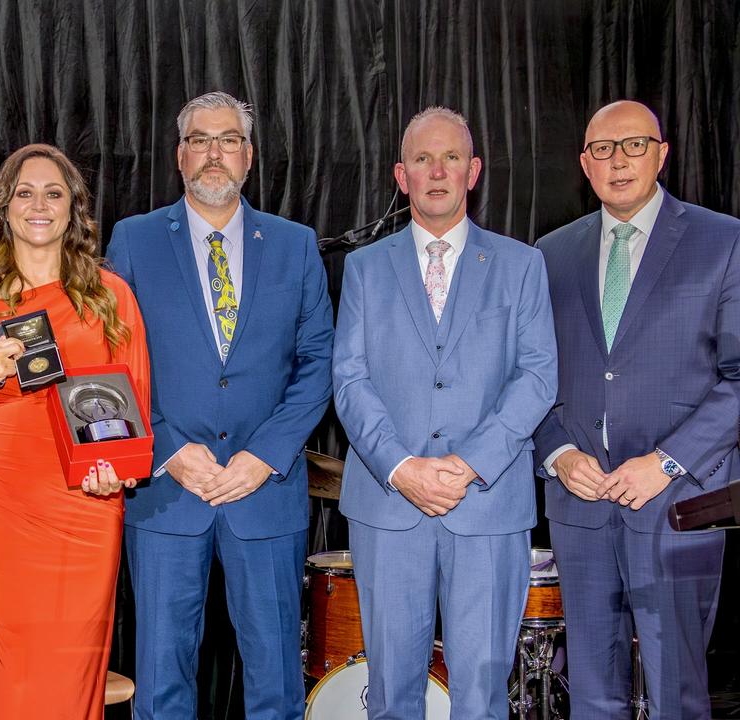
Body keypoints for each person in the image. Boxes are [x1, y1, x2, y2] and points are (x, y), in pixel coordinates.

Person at [106, 91, 333, 720]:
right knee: (161, 686)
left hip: (264, 493)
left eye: (228, 139)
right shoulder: (134, 240)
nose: (214, 154)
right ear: (179, 156)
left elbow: (319, 362)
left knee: (277, 685)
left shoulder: (294, 244)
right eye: (200, 140)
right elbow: (110, 364)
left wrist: (264, 456)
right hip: (167, 494)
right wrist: (168, 448)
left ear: (249, 155)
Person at [332, 106, 557, 719]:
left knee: (482, 697)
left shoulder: (521, 266)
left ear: (473, 171)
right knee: (390, 696)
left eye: (451, 157)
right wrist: (401, 467)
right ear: (400, 176)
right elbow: (349, 380)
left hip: (486, 504)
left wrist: (469, 463)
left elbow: (537, 376)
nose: (438, 171)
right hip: (388, 504)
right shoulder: (364, 269)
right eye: (423, 159)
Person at [533, 100, 740, 720]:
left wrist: (668, 462)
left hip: (679, 503)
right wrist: (559, 453)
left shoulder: (722, 240)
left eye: (634, 145)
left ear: (662, 153)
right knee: (593, 694)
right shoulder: (550, 253)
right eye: (602, 149)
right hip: (581, 503)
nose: (618, 160)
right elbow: (530, 379)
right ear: (584, 165)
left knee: (677, 689)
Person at [0, 143, 150, 719]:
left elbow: (134, 412)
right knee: (12, 672)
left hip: (86, 507)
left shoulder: (112, 297)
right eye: (24, 193)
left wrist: (120, 472)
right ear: (2, 208)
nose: (39, 205)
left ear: (73, 209)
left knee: (73, 671)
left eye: (53, 193)